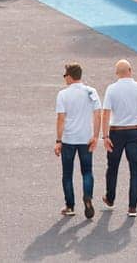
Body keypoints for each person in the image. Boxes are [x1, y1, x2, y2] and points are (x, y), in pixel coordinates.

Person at [99, 59, 137, 218]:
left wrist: (105, 135)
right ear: (131, 70)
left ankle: (110, 198)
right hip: (134, 131)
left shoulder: (112, 89)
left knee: (112, 167)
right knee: (135, 170)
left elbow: (106, 113)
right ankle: (132, 207)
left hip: (116, 131)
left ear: (117, 73)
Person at [54, 62, 101, 219]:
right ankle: (88, 196)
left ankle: (70, 206)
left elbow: (61, 118)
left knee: (67, 174)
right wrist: (95, 136)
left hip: (68, 139)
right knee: (87, 171)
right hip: (85, 138)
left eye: (65, 75)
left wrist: (58, 140)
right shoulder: (91, 92)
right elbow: (97, 114)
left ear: (70, 76)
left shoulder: (63, 94)